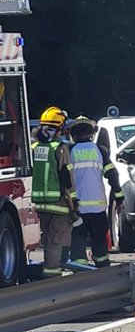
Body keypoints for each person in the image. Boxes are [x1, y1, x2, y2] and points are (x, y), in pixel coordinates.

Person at [69, 116, 124, 268]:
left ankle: (79, 272)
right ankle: (102, 272)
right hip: (98, 208)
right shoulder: (100, 151)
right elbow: (113, 175)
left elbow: (63, 179)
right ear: (91, 133)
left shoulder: (69, 151)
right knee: (99, 241)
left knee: (78, 242)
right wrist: (119, 199)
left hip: (77, 208)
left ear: (73, 134)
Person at [31, 106, 79, 277]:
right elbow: (66, 177)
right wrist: (75, 203)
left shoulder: (34, 147)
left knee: (48, 241)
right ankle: (53, 280)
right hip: (58, 203)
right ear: (59, 128)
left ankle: (49, 274)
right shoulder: (59, 147)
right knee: (55, 242)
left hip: (40, 205)